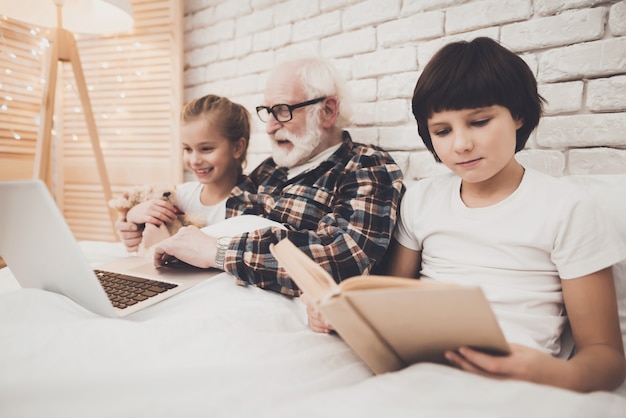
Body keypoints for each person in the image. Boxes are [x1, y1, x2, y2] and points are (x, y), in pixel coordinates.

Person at [376, 37, 625, 392]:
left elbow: (606, 359)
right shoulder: (421, 199)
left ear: (518, 115)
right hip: (426, 371)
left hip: (517, 382)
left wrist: (544, 373)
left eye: (479, 121)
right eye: (442, 131)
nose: (460, 144)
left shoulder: (566, 207)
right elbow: (388, 298)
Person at [119, 56, 404, 297]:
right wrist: (138, 223)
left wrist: (218, 253)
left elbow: (345, 259)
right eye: (267, 112)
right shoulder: (269, 169)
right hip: (219, 291)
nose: (268, 127)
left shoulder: (365, 165)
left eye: (282, 111)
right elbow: (220, 219)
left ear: (327, 111)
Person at [118, 94, 250, 251]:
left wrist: (165, 245)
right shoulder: (180, 196)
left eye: (206, 149)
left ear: (237, 148)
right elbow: (128, 220)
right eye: (187, 149)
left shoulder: (248, 207)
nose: (194, 160)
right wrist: (131, 216)